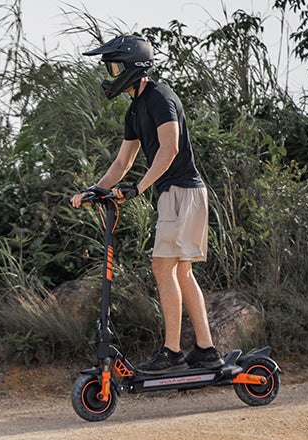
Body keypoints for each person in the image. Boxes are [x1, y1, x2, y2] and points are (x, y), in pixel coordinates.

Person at [69, 35, 223, 374]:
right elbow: (122, 162)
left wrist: (137, 189)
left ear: (132, 66)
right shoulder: (135, 109)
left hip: (181, 191)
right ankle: (206, 349)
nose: (111, 74)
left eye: (115, 67)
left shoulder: (159, 97)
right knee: (181, 271)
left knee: (163, 268)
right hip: (180, 194)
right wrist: (95, 190)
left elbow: (170, 148)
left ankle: (172, 352)